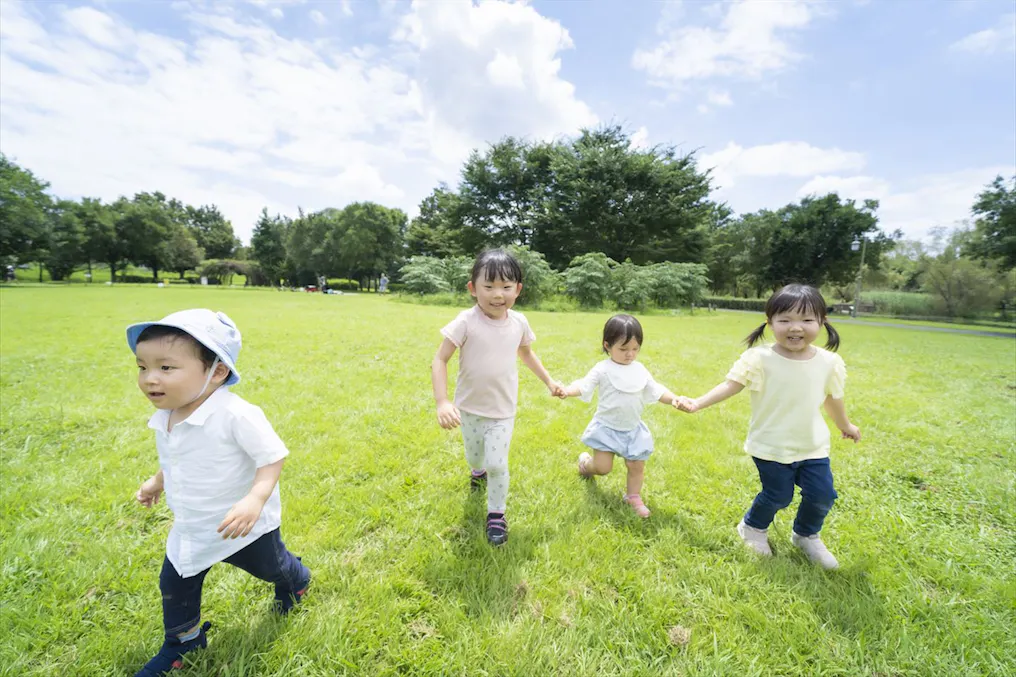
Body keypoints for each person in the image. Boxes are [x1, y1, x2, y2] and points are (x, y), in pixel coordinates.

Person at [127, 309, 310, 676]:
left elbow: (272, 458)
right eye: (142, 367)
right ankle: (184, 641)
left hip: (241, 526)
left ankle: (297, 580)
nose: (150, 379)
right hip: (192, 527)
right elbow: (179, 457)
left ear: (217, 371)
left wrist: (255, 499)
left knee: (272, 567)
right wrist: (156, 481)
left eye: (165, 368)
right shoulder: (169, 414)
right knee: (175, 582)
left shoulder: (236, 414)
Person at [677, 284, 861, 569]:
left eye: (807, 320)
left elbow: (832, 399)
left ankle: (806, 534)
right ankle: (752, 527)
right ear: (770, 322)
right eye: (785, 319)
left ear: (822, 321)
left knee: (823, 494)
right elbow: (731, 386)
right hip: (770, 445)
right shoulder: (759, 359)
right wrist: (698, 403)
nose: (795, 327)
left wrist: (846, 424)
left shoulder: (829, 362)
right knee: (778, 495)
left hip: (812, 445)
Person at [431, 249, 564, 545]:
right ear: (472, 288)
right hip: (468, 408)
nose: (497, 294)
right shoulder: (466, 321)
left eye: (506, 287)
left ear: (518, 289)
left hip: (503, 410)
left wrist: (549, 381)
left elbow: (526, 353)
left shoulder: (519, 322)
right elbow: (440, 360)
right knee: (475, 457)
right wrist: (443, 402)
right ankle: (476, 471)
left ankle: (496, 515)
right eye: (488, 287)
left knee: (497, 463)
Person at [558, 314, 685, 518]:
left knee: (636, 465)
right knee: (603, 467)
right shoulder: (603, 369)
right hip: (607, 428)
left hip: (632, 429)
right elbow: (583, 385)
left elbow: (656, 389)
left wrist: (674, 399)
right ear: (607, 345)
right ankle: (586, 465)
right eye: (623, 349)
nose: (630, 354)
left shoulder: (640, 369)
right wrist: (567, 390)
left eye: (635, 349)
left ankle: (633, 496)